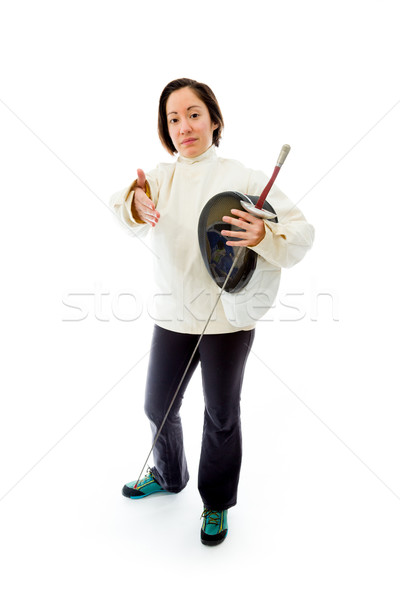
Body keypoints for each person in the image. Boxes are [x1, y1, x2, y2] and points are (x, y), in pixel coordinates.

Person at [110, 78, 314, 546]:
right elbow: (122, 208)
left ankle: (216, 503)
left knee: (221, 414)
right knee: (157, 406)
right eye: (173, 118)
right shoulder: (159, 179)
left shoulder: (242, 177)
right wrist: (134, 204)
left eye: (194, 114)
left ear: (215, 119)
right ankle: (168, 475)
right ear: (166, 128)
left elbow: (302, 233)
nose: (184, 126)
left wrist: (263, 237)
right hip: (174, 315)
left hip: (229, 318)